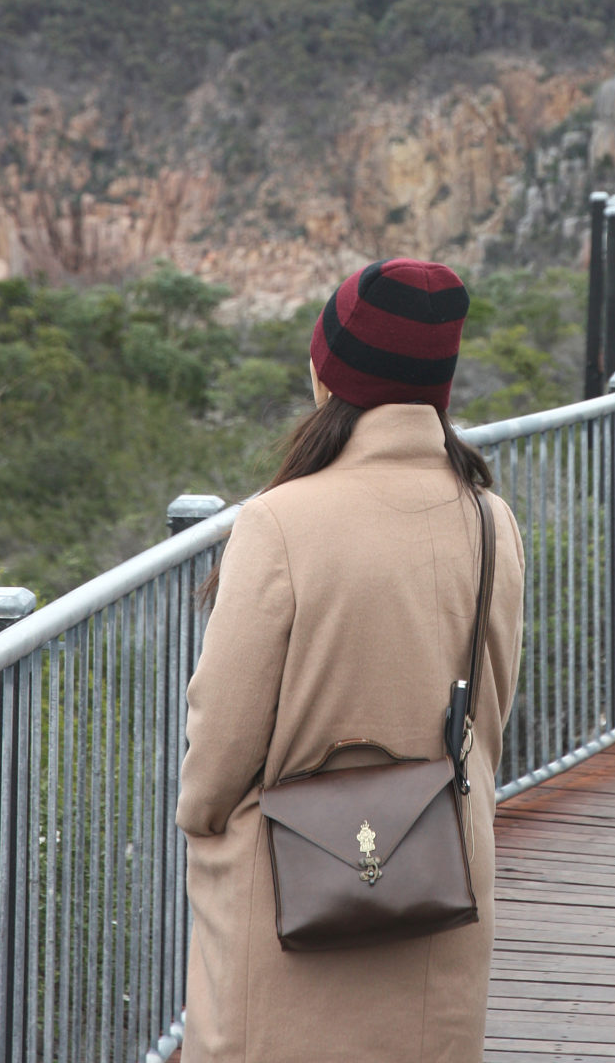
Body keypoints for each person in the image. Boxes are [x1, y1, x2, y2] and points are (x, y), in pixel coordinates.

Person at [176, 258, 525, 1062]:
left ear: (328, 371)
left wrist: (203, 821)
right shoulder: (487, 517)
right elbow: (487, 719)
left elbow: (223, 736)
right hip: (438, 885)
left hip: (294, 894)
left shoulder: (278, 522)